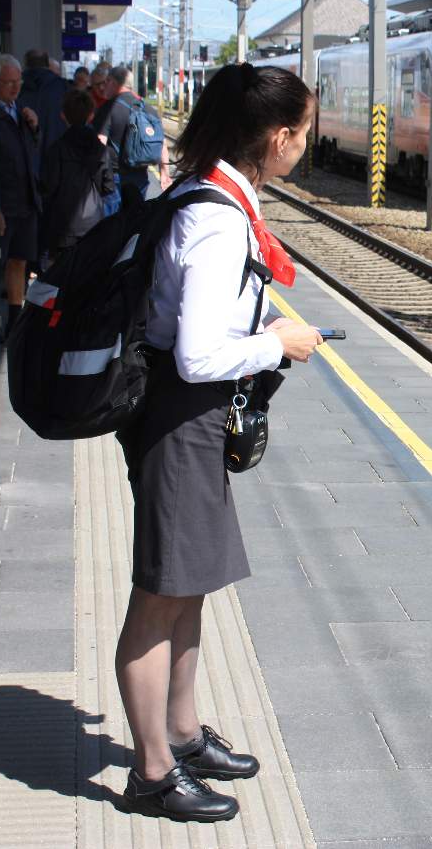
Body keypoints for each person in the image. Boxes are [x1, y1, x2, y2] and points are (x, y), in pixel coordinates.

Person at [113, 62, 321, 822]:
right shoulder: (215, 216)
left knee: (190, 579)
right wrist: (278, 344)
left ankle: (181, 728)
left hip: (189, 413)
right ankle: (152, 773)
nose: (304, 145)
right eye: (302, 133)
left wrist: (259, 331)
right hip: (178, 415)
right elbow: (199, 352)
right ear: (277, 135)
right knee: (158, 596)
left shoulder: (216, 191)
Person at [40, 88, 115, 262]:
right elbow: (108, 186)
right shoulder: (100, 149)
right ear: (91, 115)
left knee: (60, 279)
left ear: (63, 116)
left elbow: (48, 187)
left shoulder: (56, 149)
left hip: (61, 226)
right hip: (93, 223)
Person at [0, 54, 41, 340]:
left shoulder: (20, 112)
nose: (15, 88)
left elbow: (29, 152)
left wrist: (34, 127)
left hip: (25, 202)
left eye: (18, 82)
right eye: (9, 83)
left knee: (19, 261)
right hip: (4, 203)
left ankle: (15, 318)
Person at [93, 66, 170, 210]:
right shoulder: (147, 108)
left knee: (112, 225)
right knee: (134, 223)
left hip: (112, 179)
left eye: (107, 81)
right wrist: (164, 172)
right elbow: (162, 143)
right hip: (140, 176)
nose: (104, 87)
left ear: (114, 83)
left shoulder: (109, 108)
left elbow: (99, 143)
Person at [20, 49, 70, 167]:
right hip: (55, 157)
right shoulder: (62, 87)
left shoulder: (17, 86)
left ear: (26, 64)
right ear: (47, 65)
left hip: (24, 159)